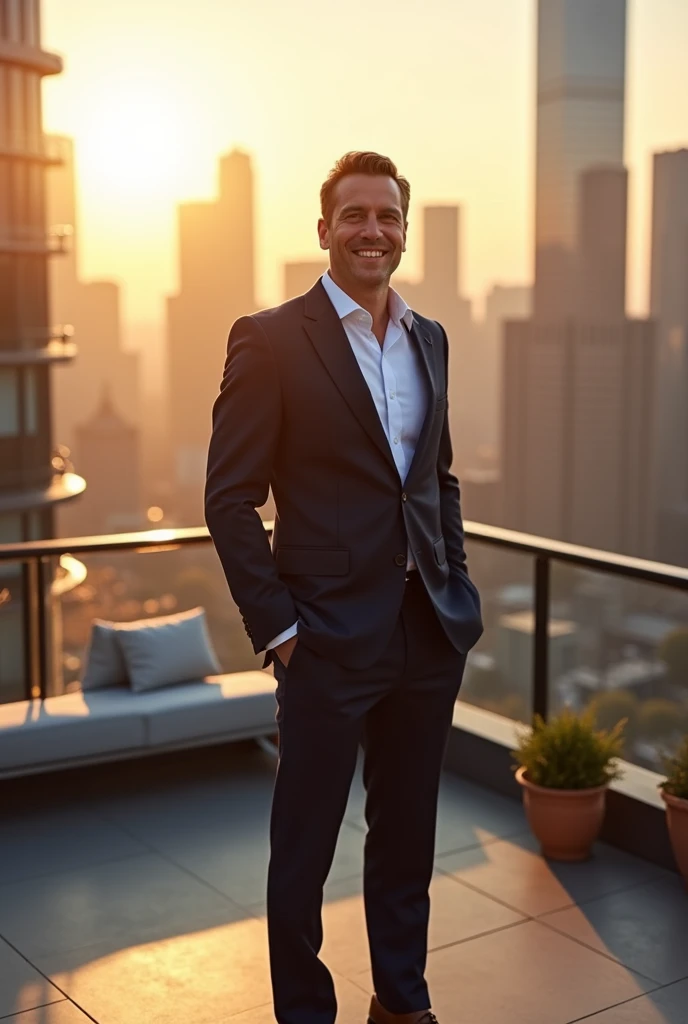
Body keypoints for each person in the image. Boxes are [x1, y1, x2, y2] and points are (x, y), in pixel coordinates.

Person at [205, 151, 483, 1024]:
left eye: (388, 217)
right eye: (355, 216)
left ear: (405, 232)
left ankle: (403, 1003)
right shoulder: (271, 337)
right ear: (324, 231)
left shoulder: (429, 337)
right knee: (304, 859)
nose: (374, 231)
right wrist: (282, 631)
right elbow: (229, 497)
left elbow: (435, 480)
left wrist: (456, 589)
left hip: (425, 633)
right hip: (323, 640)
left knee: (408, 844)